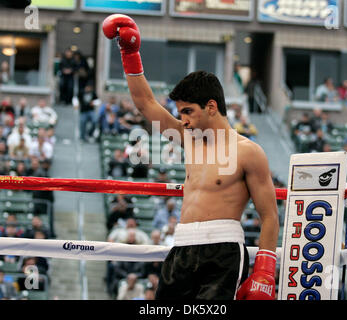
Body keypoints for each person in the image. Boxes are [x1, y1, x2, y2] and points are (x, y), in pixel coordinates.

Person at [103, 14, 279, 300]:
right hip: (182, 245)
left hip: (223, 249)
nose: (182, 120)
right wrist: (129, 53)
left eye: (187, 111)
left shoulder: (249, 152)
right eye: (180, 112)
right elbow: (146, 104)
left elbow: (269, 215)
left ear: (211, 106)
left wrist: (264, 272)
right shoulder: (189, 139)